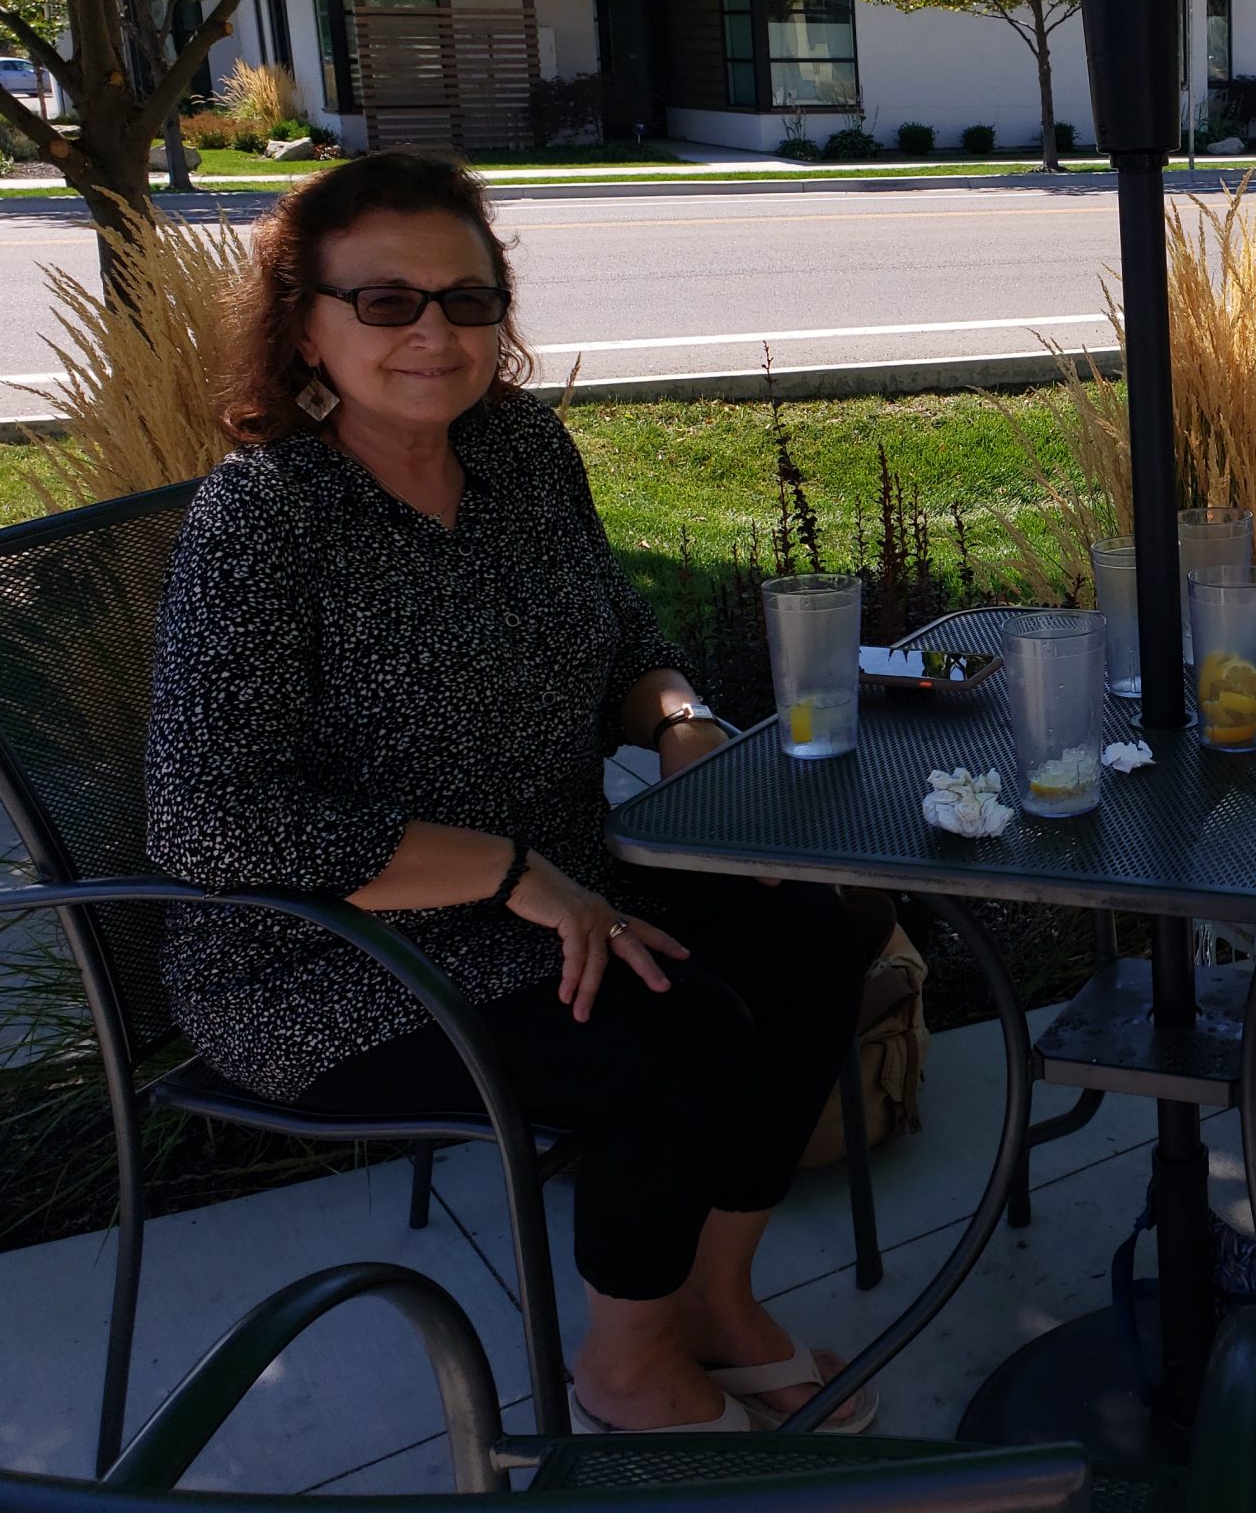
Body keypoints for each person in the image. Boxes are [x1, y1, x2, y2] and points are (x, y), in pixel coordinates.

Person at [147, 151, 886, 1436]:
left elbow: (619, 633)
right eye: (386, 303)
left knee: (813, 927)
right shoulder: (261, 520)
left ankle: (715, 1297)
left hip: (550, 892)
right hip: (326, 960)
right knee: (683, 1032)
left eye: (468, 299)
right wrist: (505, 872)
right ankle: (626, 1365)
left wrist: (678, 718)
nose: (435, 331)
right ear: (304, 327)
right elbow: (213, 819)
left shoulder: (522, 452)